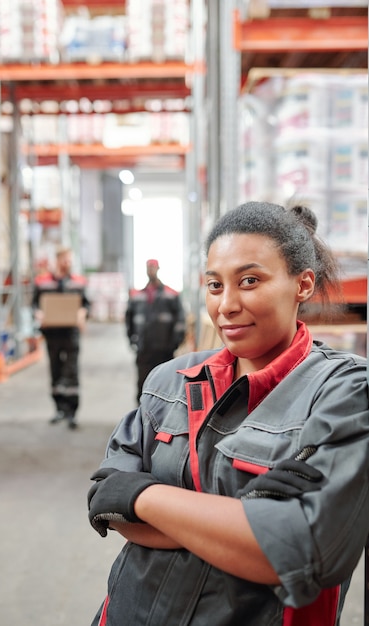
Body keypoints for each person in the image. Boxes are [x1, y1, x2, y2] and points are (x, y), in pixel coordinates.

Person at [87, 201, 369, 626]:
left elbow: (304, 553)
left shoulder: (343, 392)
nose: (226, 305)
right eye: (215, 285)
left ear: (303, 284)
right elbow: (106, 499)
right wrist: (245, 523)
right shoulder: (170, 383)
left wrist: (143, 495)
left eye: (250, 281)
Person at [32, 246, 90, 430]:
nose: (68, 263)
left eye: (70, 260)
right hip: (52, 334)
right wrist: (39, 315)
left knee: (71, 371)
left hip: (71, 333)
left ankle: (72, 412)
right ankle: (59, 409)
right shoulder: (43, 282)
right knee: (55, 370)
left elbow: (86, 304)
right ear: (57, 260)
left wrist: (82, 314)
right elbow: (34, 304)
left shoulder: (78, 282)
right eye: (65, 260)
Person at [125, 258, 186, 403]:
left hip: (164, 349)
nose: (150, 270)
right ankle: (142, 412)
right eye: (148, 267)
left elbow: (180, 319)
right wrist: (131, 339)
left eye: (153, 267)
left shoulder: (171, 295)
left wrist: (176, 341)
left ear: (158, 269)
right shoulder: (137, 296)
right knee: (143, 382)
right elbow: (128, 320)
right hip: (144, 348)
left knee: (165, 382)